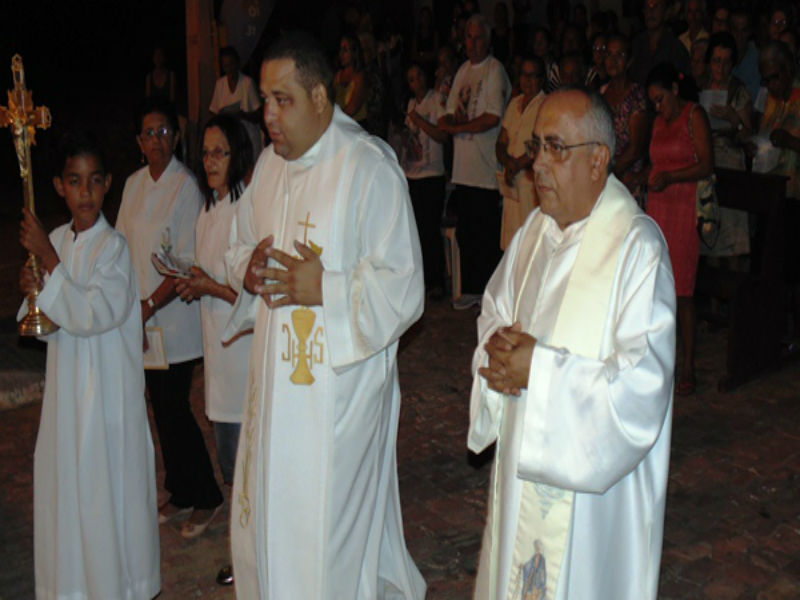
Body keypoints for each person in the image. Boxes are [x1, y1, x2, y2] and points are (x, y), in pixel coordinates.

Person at [222, 31, 426, 599]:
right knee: (271, 521)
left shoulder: (367, 166)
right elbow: (237, 242)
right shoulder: (267, 167)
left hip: (338, 400)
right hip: (274, 394)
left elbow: (405, 285)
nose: (268, 117)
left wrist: (327, 289)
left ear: (320, 98)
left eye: (282, 100)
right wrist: (248, 267)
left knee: (327, 541)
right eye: (264, 100)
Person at [468, 87, 676, 600]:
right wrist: (496, 350)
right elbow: (494, 308)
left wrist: (539, 371)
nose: (537, 163)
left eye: (556, 148)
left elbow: (640, 391)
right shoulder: (534, 233)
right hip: (524, 467)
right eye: (537, 145)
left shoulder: (636, 250)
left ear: (598, 160)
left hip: (592, 504)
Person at [18, 132, 160, 599]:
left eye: (94, 182)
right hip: (67, 403)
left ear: (108, 185)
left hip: (106, 407)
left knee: (105, 501)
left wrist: (49, 263)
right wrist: (34, 290)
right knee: (69, 498)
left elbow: (93, 313)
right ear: (59, 186)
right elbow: (46, 326)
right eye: (75, 182)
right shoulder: (57, 240)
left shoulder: (114, 249)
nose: (85, 193)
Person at [116, 98, 224, 537]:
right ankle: (179, 489)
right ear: (139, 142)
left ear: (175, 137)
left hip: (172, 315)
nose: (156, 141)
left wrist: (147, 307)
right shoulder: (133, 184)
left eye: (163, 132)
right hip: (139, 316)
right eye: (148, 133)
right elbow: (121, 245)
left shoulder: (185, 188)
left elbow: (186, 258)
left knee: (175, 406)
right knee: (158, 407)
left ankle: (207, 495)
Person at [175, 114, 254, 585]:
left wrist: (207, 285)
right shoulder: (209, 209)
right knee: (231, 466)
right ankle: (243, 554)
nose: (210, 161)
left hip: (242, 357)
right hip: (218, 359)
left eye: (220, 152)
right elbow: (209, 276)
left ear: (238, 154)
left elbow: (249, 294)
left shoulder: (244, 211)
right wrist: (192, 279)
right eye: (205, 153)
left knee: (243, 468)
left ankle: (248, 558)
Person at [646, 63, 713, 395]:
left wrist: (671, 177)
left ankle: (688, 365)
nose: (658, 107)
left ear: (674, 89)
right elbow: (655, 161)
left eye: (661, 99)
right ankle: (662, 361)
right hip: (659, 208)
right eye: (653, 102)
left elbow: (706, 163)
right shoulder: (659, 122)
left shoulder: (693, 115)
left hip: (685, 207)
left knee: (683, 292)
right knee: (659, 290)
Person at [439, 13, 511, 309]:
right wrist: (449, 122)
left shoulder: (495, 70)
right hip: (463, 168)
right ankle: (470, 289)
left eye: (478, 37)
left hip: (484, 167)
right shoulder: (462, 71)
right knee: (468, 233)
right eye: (468, 37)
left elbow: (492, 117)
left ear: (488, 39)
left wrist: (457, 127)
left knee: (486, 233)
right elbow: (448, 112)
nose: (472, 43)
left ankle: (490, 294)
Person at [700, 32, 752, 263]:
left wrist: (734, 119)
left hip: (731, 161)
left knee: (732, 238)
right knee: (709, 235)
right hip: (706, 162)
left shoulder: (739, 91)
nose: (720, 67)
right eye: (716, 60)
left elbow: (748, 136)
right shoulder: (700, 87)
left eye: (726, 61)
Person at [403, 63, 448, 300]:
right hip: (413, 173)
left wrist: (419, 121)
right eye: (411, 79)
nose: (416, 82)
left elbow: (442, 134)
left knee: (430, 229)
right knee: (416, 231)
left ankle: (436, 281)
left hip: (432, 174)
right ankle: (421, 281)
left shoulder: (436, 100)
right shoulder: (412, 104)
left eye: (418, 75)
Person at [495, 55, 546, 249]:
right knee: (511, 245)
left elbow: (541, 144)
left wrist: (517, 164)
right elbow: (501, 140)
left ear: (541, 79)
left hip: (531, 186)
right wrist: (508, 161)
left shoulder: (545, 104)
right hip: (511, 184)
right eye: (524, 75)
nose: (527, 80)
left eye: (532, 75)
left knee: (531, 245)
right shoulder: (514, 103)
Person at [602, 34, 649, 205]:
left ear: (629, 61)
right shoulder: (601, 93)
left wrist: (608, 174)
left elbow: (636, 148)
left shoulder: (636, 95)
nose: (612, 60)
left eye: (619, 55)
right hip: (604, 180)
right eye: (609, 54)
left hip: (628, 180)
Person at [209, 46, 263, 161]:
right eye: (226, 66)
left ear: (238, 64)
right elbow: (213, 113)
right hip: (229, 140)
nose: (229, 69)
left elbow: (258, 115)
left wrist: (243, 115)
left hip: (248, 139)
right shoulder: (220, 84)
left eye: (231, 64)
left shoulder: (247, 83)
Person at [629, 0, 691, 85]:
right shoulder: (636, 43)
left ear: (666, 13)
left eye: (656, 6)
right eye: (647, 7)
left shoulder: (675, 49)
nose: (651, 11)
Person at [333, 34, 369, 124]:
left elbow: (352, 109)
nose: (341, 54)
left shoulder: (360, 77)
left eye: (345, 50)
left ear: (354, 52)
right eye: (340, 49)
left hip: (356, 126)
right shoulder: (338, 75)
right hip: (340, 125)